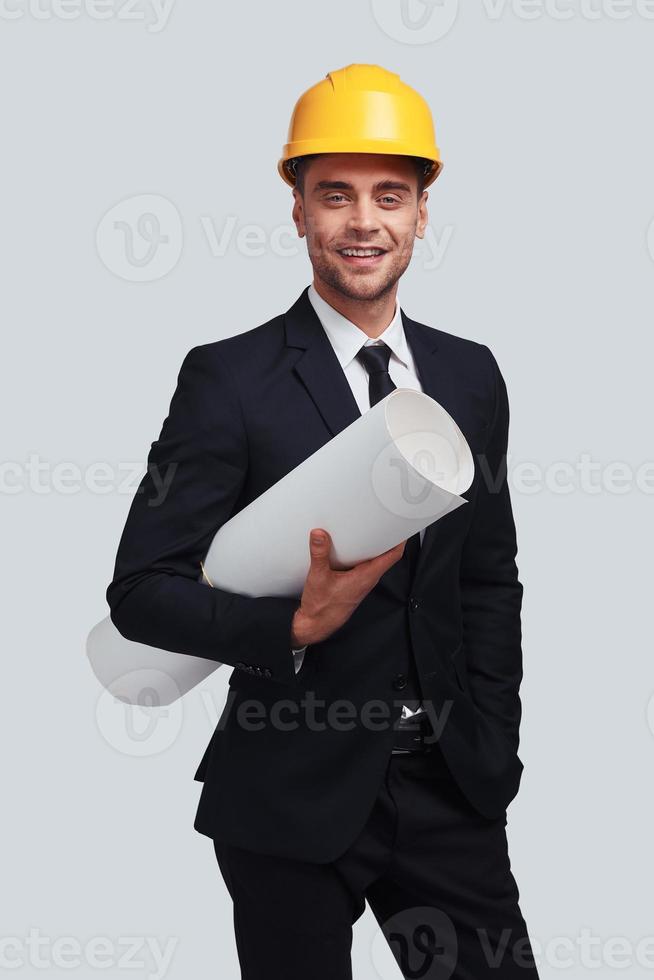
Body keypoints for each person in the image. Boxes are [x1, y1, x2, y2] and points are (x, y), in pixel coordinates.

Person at [107, 63, 539, 980]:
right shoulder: (228, 378)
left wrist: (493, 748)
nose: (363, 222)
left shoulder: (471, 376)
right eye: (333, 195)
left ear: (423, 210)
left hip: (449, 789)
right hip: (288, 798)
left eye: (390, 195)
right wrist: (289, 627)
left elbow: (487, 581)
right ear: (297, 208)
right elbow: (143, 591)